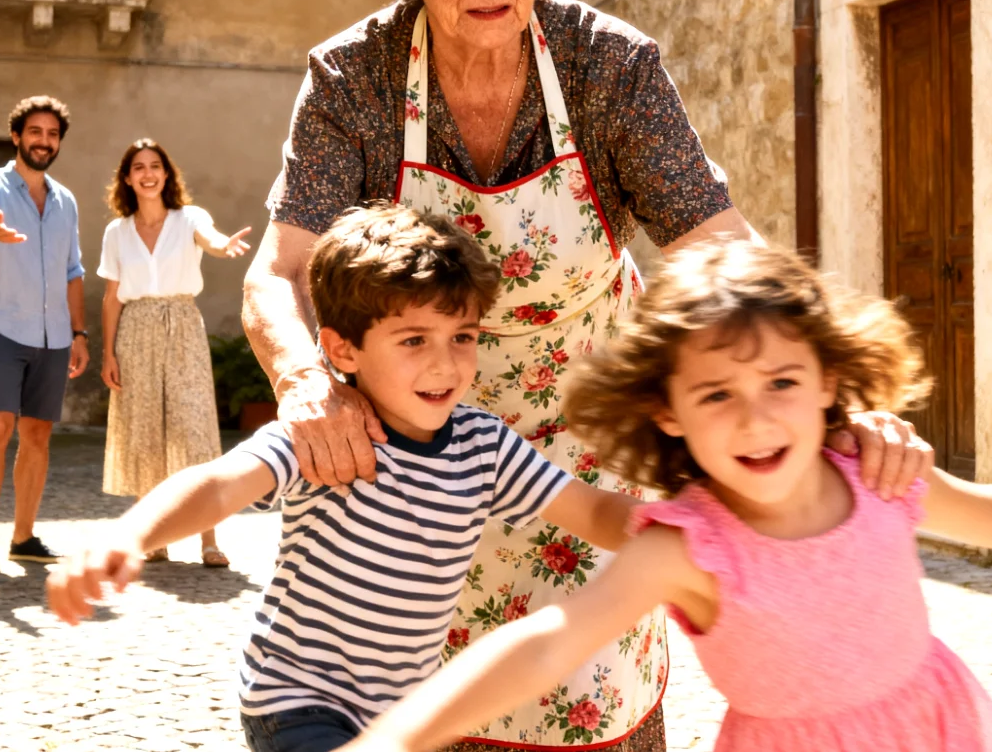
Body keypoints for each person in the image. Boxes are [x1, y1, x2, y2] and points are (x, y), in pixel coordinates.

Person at [243, 0, 933, 750]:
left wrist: (832, 397)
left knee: (590, 697)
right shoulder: (352, 79)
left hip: (584, 464)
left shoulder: (609, 68)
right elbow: (283, 269)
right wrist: (307, 383)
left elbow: (720, 251)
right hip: (409, 472)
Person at [340, 240, 992, 752]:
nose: (756, 416)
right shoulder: (686, 546)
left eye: (781, 381)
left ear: (826, 381)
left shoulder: (874, 473)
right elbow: (551, 640)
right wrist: (397, 736)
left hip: (935, 729)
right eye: (717, 394)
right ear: (669, 411)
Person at [48, 205, 645, 752]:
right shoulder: (325, 432)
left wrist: (679, 526)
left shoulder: (484, 445)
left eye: (462, 337)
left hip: (398, 719)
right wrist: (129, 536)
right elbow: (220, 483)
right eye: (414, 340)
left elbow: (593, 512)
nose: (445, 363)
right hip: (296, 701)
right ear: (342, 350)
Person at [96, 137, 252, 568]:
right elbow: (111, 298)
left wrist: (223, 246)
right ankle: (154, 538)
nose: (148, 174)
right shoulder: (117, 232)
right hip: (135, 331)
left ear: (166, 175)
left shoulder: (189, 219)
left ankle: (209, 540)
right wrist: (108, 354)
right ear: (128, 178)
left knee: (194, 429)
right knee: (145, 433)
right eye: (139, 167)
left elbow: (211, 239)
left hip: (182, 326)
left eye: (155, 166)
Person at [0, 95, 89, 573]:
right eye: (35, 132)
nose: (43, 141)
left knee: (37, 434)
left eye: (52, 134)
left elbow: (73, 271)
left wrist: (79, 333)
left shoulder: (66, 201)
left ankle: (24, 537)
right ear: (16, 136)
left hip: (54, 336)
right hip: (1, 327)